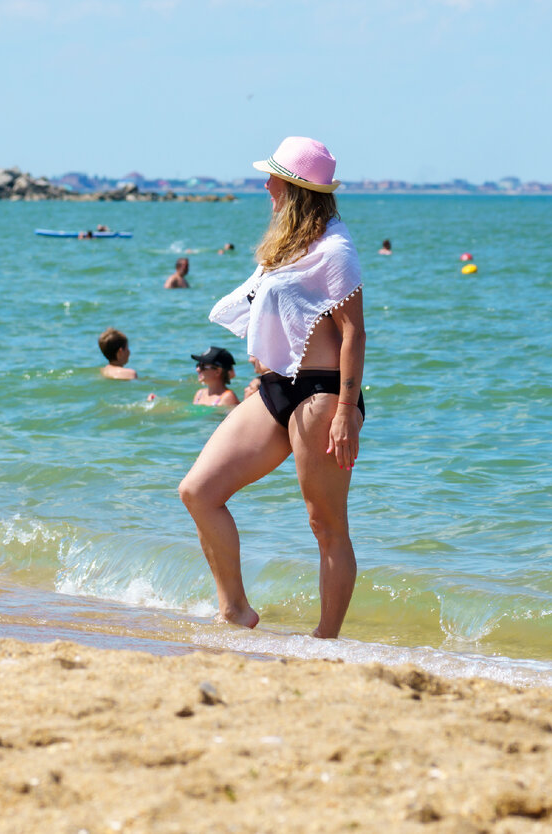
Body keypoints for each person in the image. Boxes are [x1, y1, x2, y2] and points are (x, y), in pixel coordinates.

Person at [179, 136, 366, 639]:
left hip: (324, 395)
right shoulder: (286, 246)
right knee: (198, 491)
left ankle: (326, 641)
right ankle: (235, 609)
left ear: (296, 188)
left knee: (325, 526)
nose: (265, 185)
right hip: (274, 389)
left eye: (273, 178)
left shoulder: (335, 248)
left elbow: (353, 332)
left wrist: (347, 408)